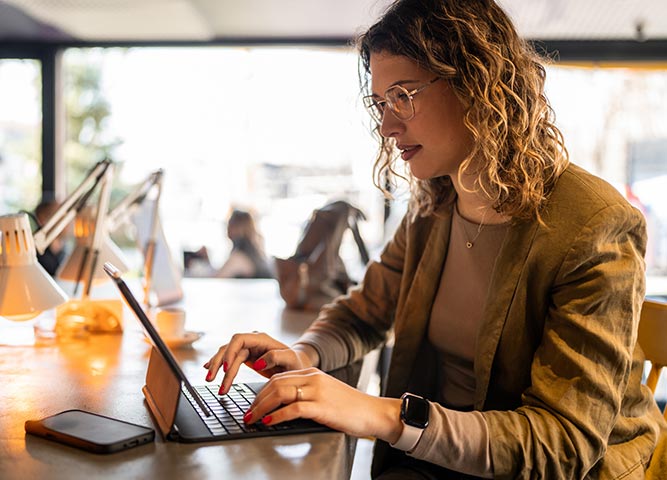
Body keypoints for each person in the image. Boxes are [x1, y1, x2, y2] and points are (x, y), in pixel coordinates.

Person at [204, 0, 667, 478]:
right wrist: (302, 356)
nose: (387, 126)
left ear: (478, 84)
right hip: (443, 458)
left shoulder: (595, 224)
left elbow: (562, 444)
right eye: (381, 103)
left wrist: (378, 413)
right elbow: (367, 311)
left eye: (403, 96)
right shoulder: (435, 203)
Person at [216, 209, 273, 279]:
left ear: (235, 226)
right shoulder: (254, 251)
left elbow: (218, 278)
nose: (227, 228)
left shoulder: (240, 254)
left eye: (229, 223)